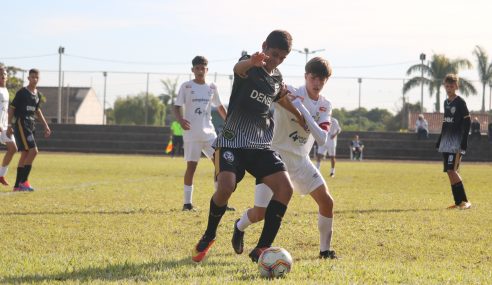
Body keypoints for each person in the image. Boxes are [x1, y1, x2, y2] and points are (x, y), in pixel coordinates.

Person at [192, 30, 304, 263]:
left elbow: (280, 98)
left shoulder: (276, 78)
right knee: (225, 187)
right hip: (232, 140)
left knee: (285, 189)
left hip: (260, 144)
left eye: (281, 58)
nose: (275, 60)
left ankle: (262, 248)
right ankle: (210, 234)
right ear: (264, 46)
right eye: (273, 54)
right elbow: (237, 69)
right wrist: (251, 61)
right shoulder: (250, 68)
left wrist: (299, 115)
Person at [232, 57, 337, 259]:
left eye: (322, 79)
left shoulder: (325, 105)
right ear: (306, 76)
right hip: (274, 158)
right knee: (259, 213)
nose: (317, 83)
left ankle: (325, 251)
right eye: (313, 77)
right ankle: (239, 226)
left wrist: (303, 112)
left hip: (301, 161)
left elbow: (322, 138)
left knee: (327, 202)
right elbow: (269, 94)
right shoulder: (290, 91)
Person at [174, 56, 229, 211]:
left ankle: (220, 201)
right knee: (191, 167)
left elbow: (219, 107)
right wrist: (180, 120)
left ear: (207, 70)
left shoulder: (212, 87)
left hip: (209, 133)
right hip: (191, 133)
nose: (199, 71)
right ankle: (187, 203)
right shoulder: (186, 86)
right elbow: (176, 107)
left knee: (220, 163)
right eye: (197, 68)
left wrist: (230, 122)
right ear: (192, 70)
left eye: (202, 68)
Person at [7, 68, 51, 191]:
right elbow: (12, 108)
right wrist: (9, 125)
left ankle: (17, 185)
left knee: (25, 153)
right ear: (28, 78)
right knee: (34, 151)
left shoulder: (38, 94)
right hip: (22, 123)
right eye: (32, 77)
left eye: (37, 77)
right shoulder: (22, 92)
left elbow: (37, 111)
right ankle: (24, 182)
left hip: (31, 125)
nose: (34, 79)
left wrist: (46, 125)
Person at [435, 74, 472, 210]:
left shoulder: (460, 102)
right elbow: (446, 122)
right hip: (446, 142)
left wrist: (464, 142)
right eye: (447, 86)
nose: (449, 88)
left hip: (456, 142)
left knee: (453, 169)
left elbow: (467, 122)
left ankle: (465, 201)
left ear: (456, 86)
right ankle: (458, 202)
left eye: (451, 86)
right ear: (444, 86)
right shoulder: (446, 102)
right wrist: (440, 139)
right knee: (449, 171)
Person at [0, 66, 18, 187]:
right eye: (1, 73)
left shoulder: (6, 91)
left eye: (5, 73)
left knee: (13, 149)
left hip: (5, 126)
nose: (3, 75)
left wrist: (9, 124)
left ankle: (1, 175)